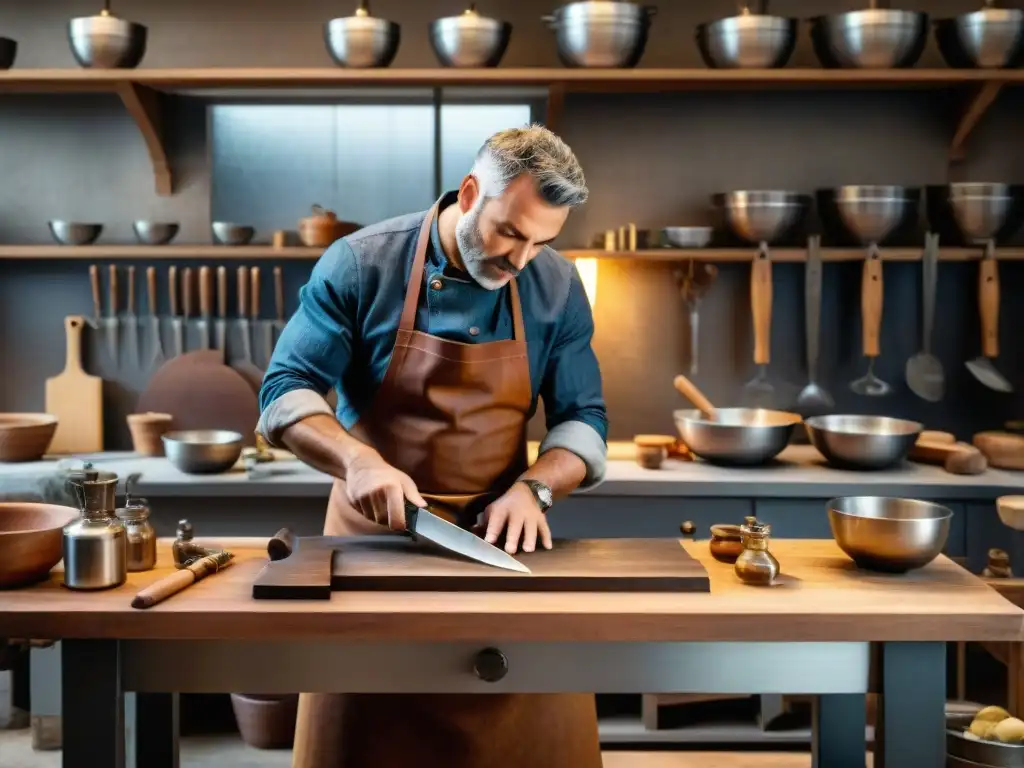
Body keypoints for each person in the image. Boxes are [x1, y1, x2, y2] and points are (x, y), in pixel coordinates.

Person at [257, 124, 608, 768]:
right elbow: (283, 392)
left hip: (497, 550)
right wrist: (357, 460)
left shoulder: (556, 286)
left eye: (542, 241)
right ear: (470, 192)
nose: (520, 260)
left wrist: (536, 487)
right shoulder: (363, 263)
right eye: (509, 232)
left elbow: (583, 420)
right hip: (369, 553)